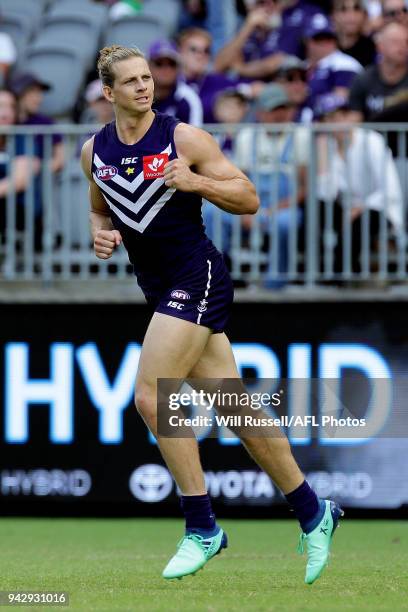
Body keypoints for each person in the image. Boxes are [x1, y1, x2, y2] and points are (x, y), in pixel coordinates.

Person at [80, 44, 343, 584]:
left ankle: (203, 528)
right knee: (236, 409)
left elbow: (248, 199)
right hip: (156, 287)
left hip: (197, 275)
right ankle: (315, 512)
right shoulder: (94, 152)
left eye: (148, 78)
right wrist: (98, 235)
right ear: (108, 93)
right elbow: (98, 206)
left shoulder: (183, 138)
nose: (144, 87)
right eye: (130, 82)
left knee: (152, 397)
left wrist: (196, 181)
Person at [315, 93, 404, 274]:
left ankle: (341, 275)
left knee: (359, 223)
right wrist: (323, 158)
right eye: (329, 119)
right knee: (316, 209)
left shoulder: (371, 140)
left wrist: (361, 208)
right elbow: (326, 194)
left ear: (350, 117)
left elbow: (389, 190)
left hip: (380, 208)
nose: (336, 123)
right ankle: (321, 271)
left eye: (340, 116)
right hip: (348, 211)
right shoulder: (328, 148)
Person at [235, 84, 309, 288]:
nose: (279, 115)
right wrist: (245, 213)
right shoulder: (246, 137)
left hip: (285, 206)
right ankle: (219, 278)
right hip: (250, 205)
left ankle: (275, 283)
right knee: (212, 215)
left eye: (283, 108)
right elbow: (239, 181)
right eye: (273, 109)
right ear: (259, 113)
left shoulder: (300, 136)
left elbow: (305, 187)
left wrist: (272, 210)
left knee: (283, 223)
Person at [214, 0, 325, 79]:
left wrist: (241, 69)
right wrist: (248, 27)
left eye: (274, 1)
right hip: (243, 92)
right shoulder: (246, 32)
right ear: (250, 8)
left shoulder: (289, 27)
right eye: (261, 2)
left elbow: (275, 62)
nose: (269, 6)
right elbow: (218, 66)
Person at [0, 88, 40, 248]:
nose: (6, 113)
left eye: (11, 107)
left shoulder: (24, 139)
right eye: (1, 106)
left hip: (19, 208)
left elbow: (20, 181)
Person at [178, 27, 244, 123]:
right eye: (193, 49)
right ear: (180, 51)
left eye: (206, 51)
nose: (200, 55)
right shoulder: (169, 82)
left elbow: (250, 88)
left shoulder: (215, 81)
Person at [304, 13, 363, 118]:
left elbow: (341, 101)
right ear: (308, 42)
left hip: (334, 127)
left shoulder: (344, 64)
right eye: (318, 39)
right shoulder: (303, 66)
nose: (324, 44)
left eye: (328, 38)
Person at [348, 21, 408, 120]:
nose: (403, 46)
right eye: (395, 41)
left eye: (406, 41)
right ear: (380, 46)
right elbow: (355, 117)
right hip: (372, 134)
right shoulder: (364, 78)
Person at [9, 73, 64, 173]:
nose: (39, 98)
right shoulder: (7, 122)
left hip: (37, 183)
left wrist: (39, 167)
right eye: (32, 92)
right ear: (18, 95)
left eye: (40, 93)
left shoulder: (46, 123)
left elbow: (60, 159)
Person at [149, 39, 203, 126]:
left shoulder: (188, 98)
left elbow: (195, 136)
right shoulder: (140, 95)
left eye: (171, 64)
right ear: (148, 66)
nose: (166, 69)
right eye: (159, 64)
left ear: (178, 68)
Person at [332, 0, 377, 67]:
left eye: (356, 9)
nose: (351, 15)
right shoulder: (325, 46)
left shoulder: (372, 49)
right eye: (343, 9)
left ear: (364, 15)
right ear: (333, 15)